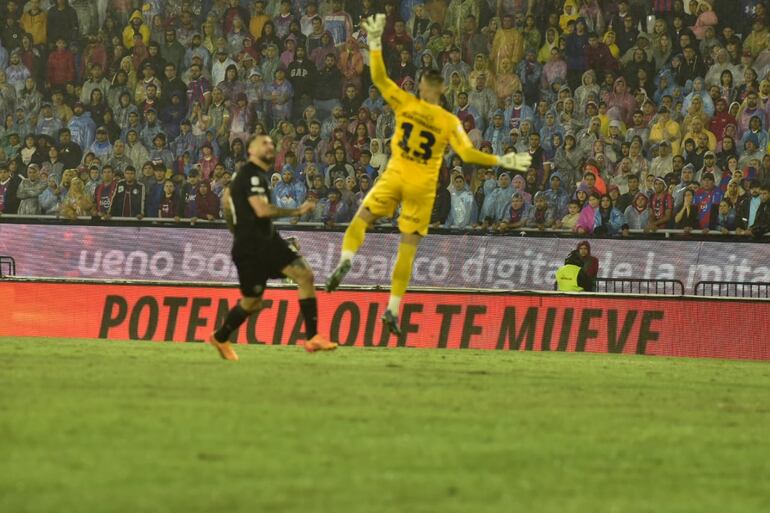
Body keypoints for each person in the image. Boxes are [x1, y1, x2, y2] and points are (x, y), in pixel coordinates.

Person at [323, 14, 532, 336]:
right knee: (407, 248)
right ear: (442, 90)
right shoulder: (448, 121)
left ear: (422, 88)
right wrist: (504, 158)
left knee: (361, 220)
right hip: (422, 186)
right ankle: (392, 308)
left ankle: (347, 258)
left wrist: (376, 42)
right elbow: (468, 155)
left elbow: (378, 78)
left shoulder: (406, 104)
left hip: (395, 173)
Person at [209, 134, 337, 361]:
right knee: (253, 301)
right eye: (264, 143)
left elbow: (228, 202)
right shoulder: (251, 175)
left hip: (262, 240)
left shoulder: (251, 176)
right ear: (251, 150)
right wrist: (296, 211)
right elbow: (262, 210)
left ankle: (313, 336)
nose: (270, 146)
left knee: (304, 274)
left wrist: (236, 229)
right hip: (253, 245)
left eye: (271, 144)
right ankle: (220, 336)